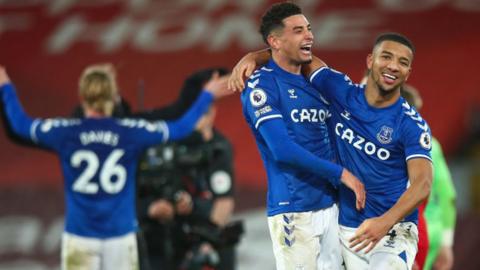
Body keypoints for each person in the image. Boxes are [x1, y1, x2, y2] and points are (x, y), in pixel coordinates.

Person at [229, 31, 433, 269]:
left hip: (392, 231)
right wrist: (255, 57)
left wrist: (384, 223)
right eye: (386, 57)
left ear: (408, 73)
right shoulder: (340, 91)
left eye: (403, 62)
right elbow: (294, 54)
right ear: (370, 61)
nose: (393, 66)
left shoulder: (410, 124)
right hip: (346, 229)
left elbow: (423, 184)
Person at [0, 65, 230, 270]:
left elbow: (20, 125)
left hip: (80, 237)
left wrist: (5, 86)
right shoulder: (130, 131)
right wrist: (207, 94)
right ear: (113, 97)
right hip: (120, 238)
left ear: (82, 96)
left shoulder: (65, 131)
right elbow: (180, 127)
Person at [236, 3, 366, 270]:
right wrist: (341, 173)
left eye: (308, 29)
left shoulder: (316, 79)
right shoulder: (262, 86)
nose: (309, 36)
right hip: (294, 210)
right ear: (275, 41)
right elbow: (283, 150)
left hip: (331, 206)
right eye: (298, 31)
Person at [136, 68, 238, 270]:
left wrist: (208, 240)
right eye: (195, 113)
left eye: (204, 112)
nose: (199, 119)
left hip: (200, 228)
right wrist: (151, 207)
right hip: (163, 233)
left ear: (213, 112)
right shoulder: (168, 140)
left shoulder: (218, 147)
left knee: (224, 243)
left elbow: (224, 202)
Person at [401, 85, 457, 270]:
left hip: (409, 229)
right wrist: (446, 242)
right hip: (430, 228)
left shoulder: (390, 146)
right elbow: (447, 194)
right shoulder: (432, 144)